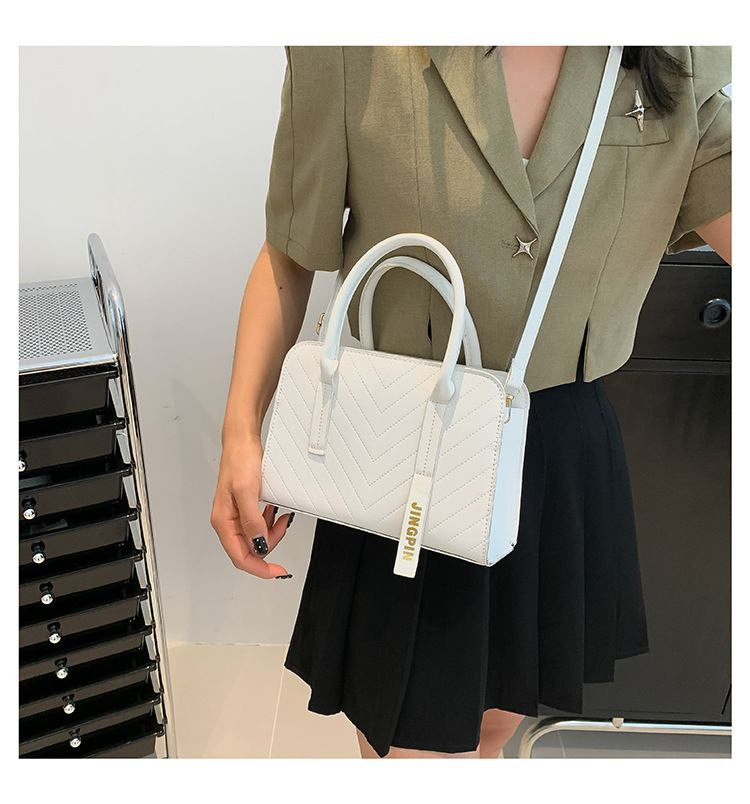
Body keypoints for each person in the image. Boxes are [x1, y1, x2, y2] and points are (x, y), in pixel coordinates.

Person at [210, 45, 731, 759]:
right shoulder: (352, 48)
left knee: (498, 721)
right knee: (406, 734)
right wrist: (241, 431)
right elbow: (290, 254)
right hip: (403, 448)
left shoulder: (675, 55)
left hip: (556, 455)